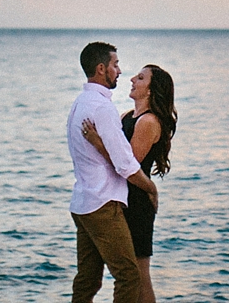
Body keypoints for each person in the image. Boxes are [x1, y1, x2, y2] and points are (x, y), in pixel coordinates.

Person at [66, 41, 158, 303]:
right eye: (115, 65)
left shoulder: (80, 102)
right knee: (129, 276)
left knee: (88, 279)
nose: (119, 71)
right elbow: (125, 164)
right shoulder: (102, 107)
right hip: (103, 203)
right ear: (101, 69)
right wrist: (151, 188)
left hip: (83, 202)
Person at [82, 63, 176, 303]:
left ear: (151, 91)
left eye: (141, 78)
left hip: (137, 202)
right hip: (122, 198)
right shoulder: (126, 116)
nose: (133, 79)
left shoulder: (148, 122)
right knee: (128, 273)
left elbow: (126, 165)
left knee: (139, 274)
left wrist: (96, 141)